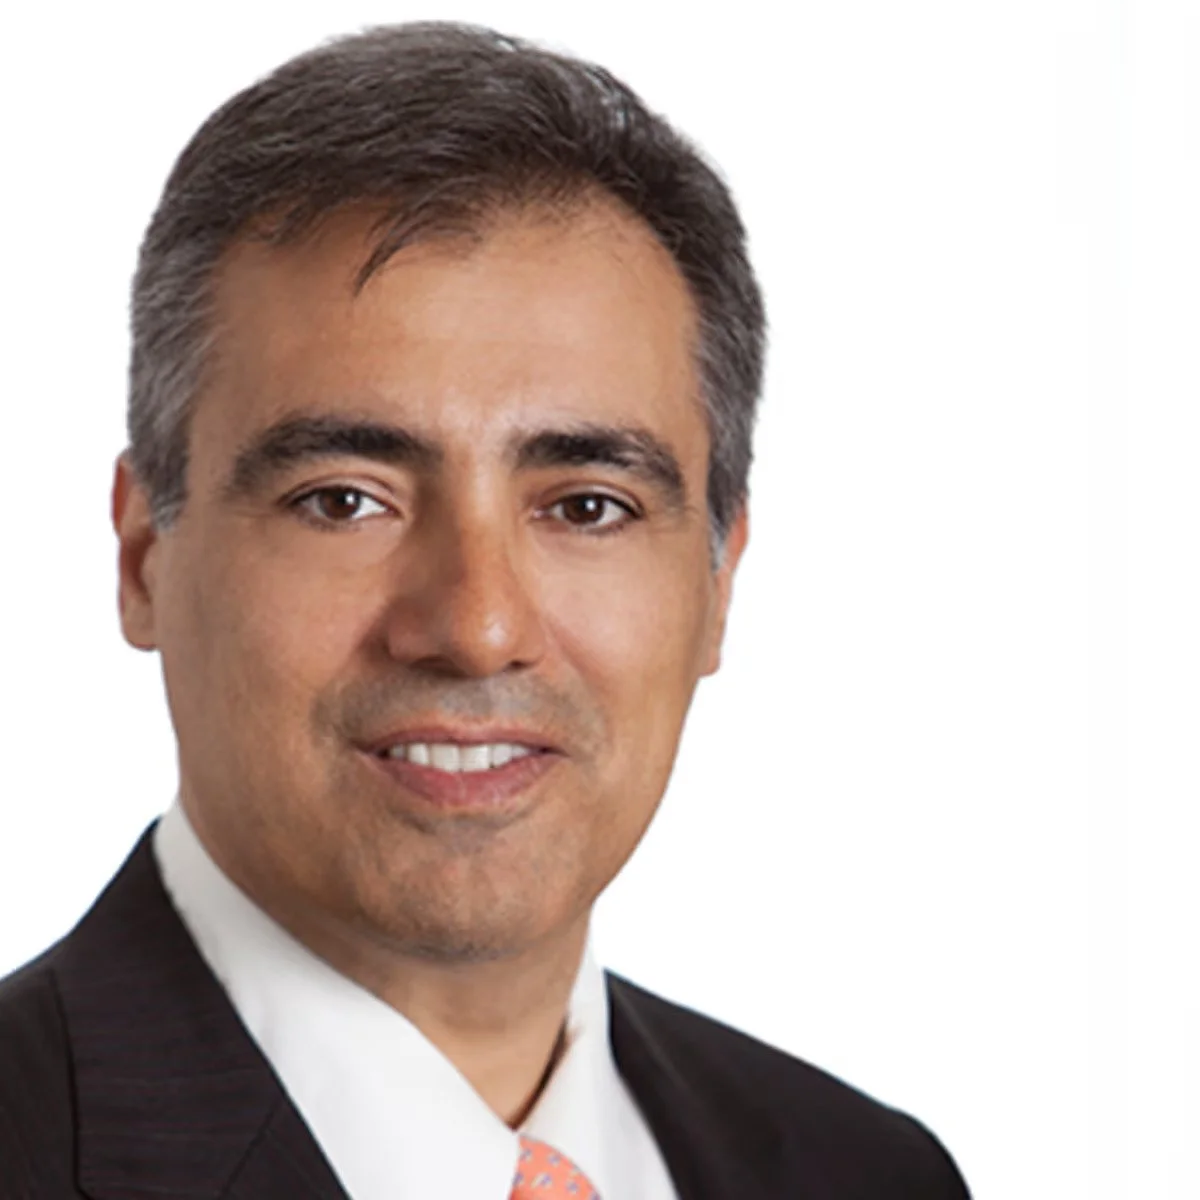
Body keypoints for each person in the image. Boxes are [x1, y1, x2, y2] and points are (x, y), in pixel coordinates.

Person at [0, 21, 970, 1199]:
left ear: (719, 585)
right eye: (345, 499)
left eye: (589, 507)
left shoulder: (865, 1173)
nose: (478, 626)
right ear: (146, 553)